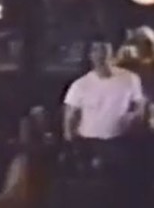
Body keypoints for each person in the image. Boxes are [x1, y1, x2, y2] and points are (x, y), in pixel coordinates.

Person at [62, 40, 146, 171]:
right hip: (90, 144)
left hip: (121, 141)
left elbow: (140, 103)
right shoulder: (80, 85)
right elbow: (69, 116)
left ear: (112, 54)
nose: (101, 55)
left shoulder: (130, 78)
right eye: (96, 51)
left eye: (105, 51)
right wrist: (71, 144)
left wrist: (135, 117)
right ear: (90, 56)